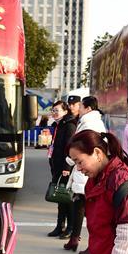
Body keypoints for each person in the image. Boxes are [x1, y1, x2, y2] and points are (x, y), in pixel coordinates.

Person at [64, 96, 106, 254]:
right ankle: (75, 238)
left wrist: (70, 160)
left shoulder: (88, 123)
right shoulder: (94, 122)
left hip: (86, 168)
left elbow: (80, 145)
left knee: (88, 209)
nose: (78, 109)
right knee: (82, 206)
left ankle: (85, 242)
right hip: (87, 167)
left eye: (81, 106)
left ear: (88, 108)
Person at [48, 99, 77, 238]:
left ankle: (70, 228)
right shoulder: (58, 125)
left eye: (57, 110)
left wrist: (67, 166)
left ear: (65, 111)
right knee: (60, 196)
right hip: (57, 165)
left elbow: (70, 147)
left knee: (67, 197)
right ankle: (60, 226)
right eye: (53, 110)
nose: (54, 113)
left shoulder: (69, 125)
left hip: (65, 166)